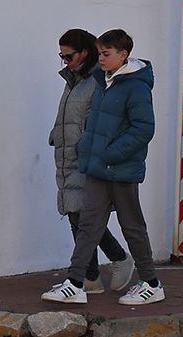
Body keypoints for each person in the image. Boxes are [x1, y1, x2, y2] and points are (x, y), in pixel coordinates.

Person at [43, 29, 165, 306]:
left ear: (123, 55)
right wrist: (89, 149)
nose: (102, 59)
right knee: (88, 225)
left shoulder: (135, 86)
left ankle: (152, 283)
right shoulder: (102, 81)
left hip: (120, 169)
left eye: (107, 54)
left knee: (132, 226)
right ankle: (76, 283)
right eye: (100, 53)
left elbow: (143, 129)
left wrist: (111, 154)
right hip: (97, 167)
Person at [50, 29, 132, 294]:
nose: (65, 61)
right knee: (78, 215)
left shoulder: (98, 80)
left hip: (85, 157)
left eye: (69, 55)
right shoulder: (73, 79)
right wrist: (56, 134)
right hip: (66, 155)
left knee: (83, 217)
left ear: (84, 52)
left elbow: (97, 120)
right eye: (61, 56)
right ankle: (94, 276)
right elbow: (68, 113)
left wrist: (86, 146)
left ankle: (111, 264)